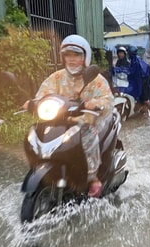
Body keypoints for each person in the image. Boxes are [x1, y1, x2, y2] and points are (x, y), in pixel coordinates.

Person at [27, 34, 114, 198]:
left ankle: (93, 178)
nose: (72, 59)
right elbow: (42, 94)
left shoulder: (95, 78)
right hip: (60, 122)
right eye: (68, 55)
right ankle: (41, 166)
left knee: (87, 134)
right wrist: (32, 103)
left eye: (76, 55)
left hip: (88, 121)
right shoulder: (57, 77)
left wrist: (95, 103)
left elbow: (108, 100)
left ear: (85, 57)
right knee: (35, 131)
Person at [128, 46, 150, 118]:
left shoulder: (135, 61)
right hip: (140, 83)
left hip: (142, 84)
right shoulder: (137, 60)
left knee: (145, 99)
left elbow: (134, 73)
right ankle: (145, 114)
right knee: (141, 100)